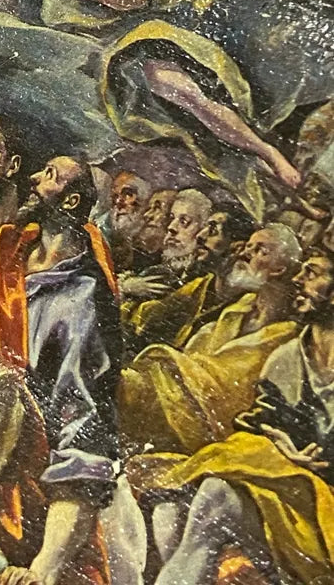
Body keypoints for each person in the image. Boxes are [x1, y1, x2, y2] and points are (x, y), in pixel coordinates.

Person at [16, 0, 301, 204]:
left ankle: (266, 151)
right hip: (97, 51)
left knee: (183, 92)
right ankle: (255, 163)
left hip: (133, 32)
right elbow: (29, 5)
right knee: (178, 124)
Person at [144, 247, 334, 584]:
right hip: (291, 500)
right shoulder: (287, 358)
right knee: (173, 507)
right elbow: (256, 428)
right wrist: (279, 445)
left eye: (312, 273)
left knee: (215, 497)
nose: (298, 279)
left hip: (325, 514)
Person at [0, 157, 121, 585]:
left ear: (71, 201)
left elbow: (83, 448)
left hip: (27, 505)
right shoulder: (6, 254)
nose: (34, 178)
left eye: (49, 176)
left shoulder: (80, 303)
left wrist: (42, 570)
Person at [119, 223, 300, 456]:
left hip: (201, 424)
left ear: (278, 269)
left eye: (260, 250)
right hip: (172, 400)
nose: (246, 253)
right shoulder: (239, 307)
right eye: (248, 246)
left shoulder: (285, 334)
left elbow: (228, 391)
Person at [120, 189, 215, 351]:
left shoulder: (204, 281)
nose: (171, 227)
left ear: (203, 231)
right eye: (171, 218)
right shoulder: (156, 269)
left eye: (184, 221)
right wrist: (125, 287)